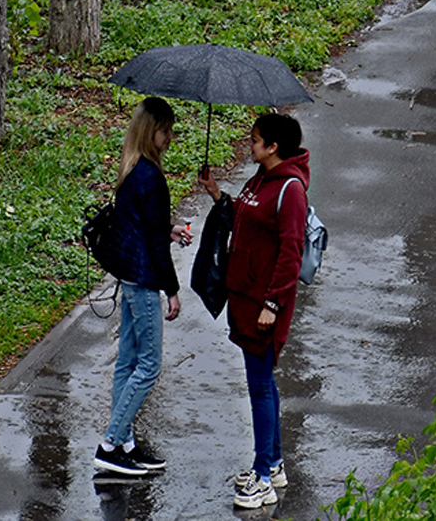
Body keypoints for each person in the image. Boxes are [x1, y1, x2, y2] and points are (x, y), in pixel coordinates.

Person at [198, 112, 309, 509]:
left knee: (260, 386)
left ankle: (262, 476)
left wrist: (273, 303)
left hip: (263, 305)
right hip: (244, 299)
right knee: (264, 382)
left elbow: (291, 252)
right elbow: (247, 219)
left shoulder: (290, 189)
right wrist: (217, 195)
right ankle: (274, 463)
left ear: (274, 146)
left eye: (256, 138)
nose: (250, 143)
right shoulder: (260, 179)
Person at [93, 97, 192, 476]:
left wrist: (170, 230)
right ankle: (109, 443)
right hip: (145, 279)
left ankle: (127, 443)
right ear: (152, 132)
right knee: (149, 366)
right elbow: (152, 244)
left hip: (130, 276)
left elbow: (147, 229)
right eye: (166, 131)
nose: (170, 137)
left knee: (127, 363)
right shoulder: (151, 176)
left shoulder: (132, 169)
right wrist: (172, 289)